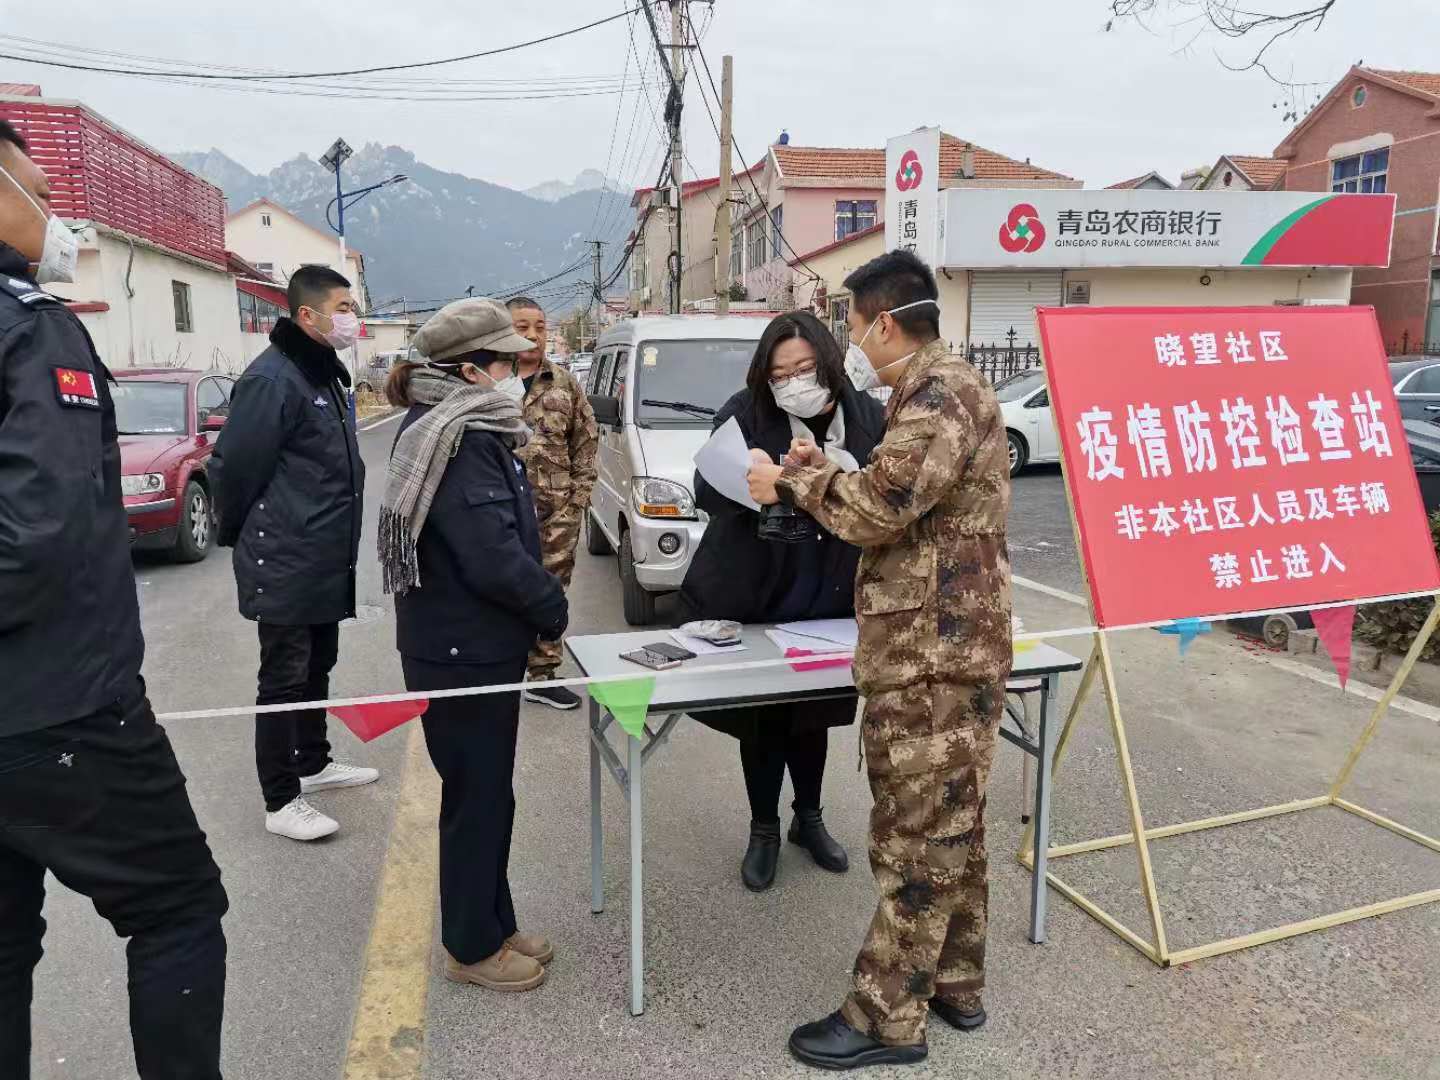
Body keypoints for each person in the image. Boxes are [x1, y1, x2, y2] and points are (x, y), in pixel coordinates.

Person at [0, 119, 228, 1079]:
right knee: (176, 908)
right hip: (60, 707)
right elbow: (38, 538)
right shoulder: (29, 327)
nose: (55, 213)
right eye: (37, 191)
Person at [748, 251, 1012, 1070]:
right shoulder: (940, 390)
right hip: (951, 646)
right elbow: (907, 501)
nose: (852, 341)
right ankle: (956, 982)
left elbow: (881, 508)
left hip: (932, 658)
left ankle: (886, 1015)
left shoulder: (935, 394)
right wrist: (824, 471)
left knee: (913, 838)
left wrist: (794, 485)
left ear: (885, 322)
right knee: (954, 824)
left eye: (854, 325)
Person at [379, 298, 568, 992]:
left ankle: (494, 918)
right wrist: (551, 606)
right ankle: (470, 945)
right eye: (505, 361)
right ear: (468, 370)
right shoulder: (453, 437)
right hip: (461, 649)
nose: (517, 371)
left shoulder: (468, 426)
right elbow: (491, 556)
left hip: (471, 644)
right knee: (475, 797)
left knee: (489, 794)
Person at [679, 311, 885, 891]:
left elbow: (886, 492)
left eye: (805, 368)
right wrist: (751, 478)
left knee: (815, 710)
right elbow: (705, 487)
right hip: (764, 585)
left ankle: (809, 818)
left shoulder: (868, 415)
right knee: (765, 716)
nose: (794, 381)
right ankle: (764, 827)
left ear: (829, 361)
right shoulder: (746, 414)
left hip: (831, 586)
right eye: (780, 373)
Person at [211, 264, 377, 842]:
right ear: (307, 315)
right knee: (282, 678)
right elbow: (234, 470)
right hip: (285, 555)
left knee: (317, 666)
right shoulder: (272, 380)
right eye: (343, 308)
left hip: (323, 556)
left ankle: (313, 760)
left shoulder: (322, 374)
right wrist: (247, 541)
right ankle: (281, 798)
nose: (352, 318)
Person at [506, 295, 598, 710]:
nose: (533, 335)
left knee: (551, 591)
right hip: (500, 513)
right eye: (522, 326)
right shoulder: (488, 382)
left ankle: (542, 674)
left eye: (540, 326)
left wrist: (577, 499)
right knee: (501, 587)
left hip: (555, 513)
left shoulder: (563, 383)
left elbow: (586, 441)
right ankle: (501, 670)